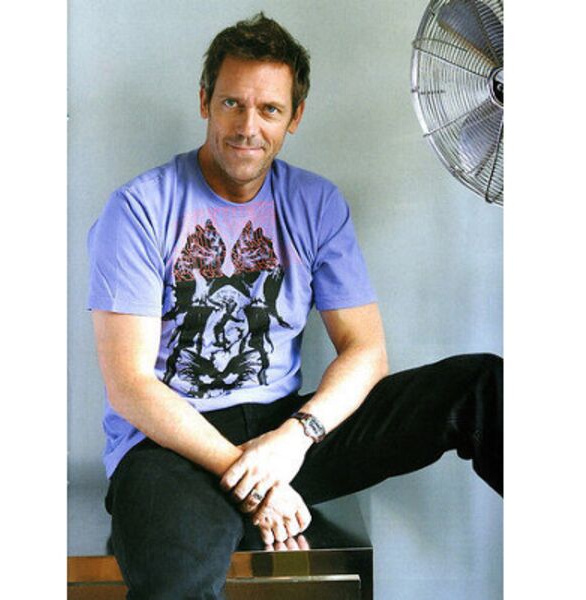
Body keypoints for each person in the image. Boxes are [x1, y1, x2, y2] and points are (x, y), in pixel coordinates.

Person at [88, 12, 502, 600]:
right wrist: (255, 478)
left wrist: (295, 439)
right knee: (174, 586)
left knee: (482, 386)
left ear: (294, 116)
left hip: (286, 428)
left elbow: (366, 350)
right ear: (205, 101)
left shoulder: (316, 203)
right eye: (232, 103)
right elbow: (130, 385)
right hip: (170, 447)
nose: (247, 126)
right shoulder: (139, 209)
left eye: (269, 109)